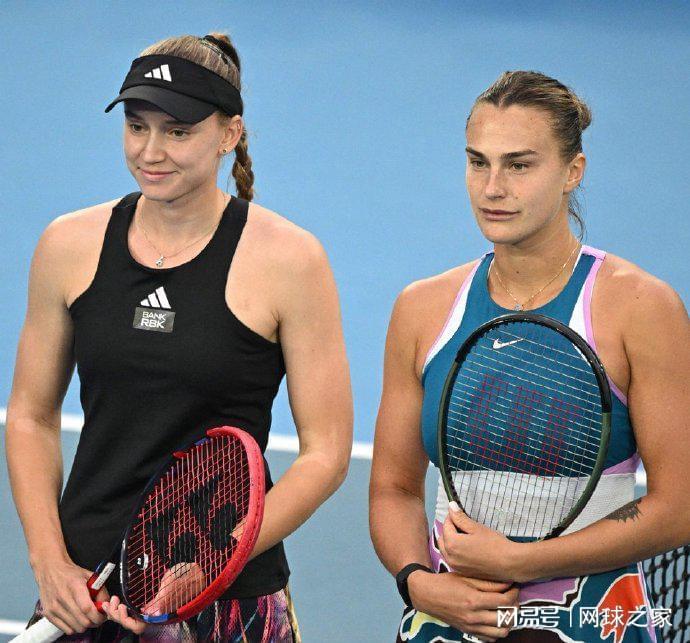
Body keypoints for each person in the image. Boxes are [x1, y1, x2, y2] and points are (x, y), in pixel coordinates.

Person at [6, 32, 352, 642]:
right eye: (136, 127)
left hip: (226, 594)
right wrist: (50, 561)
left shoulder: (290, 261)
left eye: (178, 131)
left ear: (229, 133)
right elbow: (31, 416)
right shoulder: (67, 245)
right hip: (84, 589)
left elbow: (326, 452)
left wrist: (220, 557)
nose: (151, 151)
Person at [369, 70, 689, 642]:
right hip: (447, 616)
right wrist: (416, 581)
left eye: (518, 165)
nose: (492, 188)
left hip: (592, 622)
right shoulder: (421, 308)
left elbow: (680, 505)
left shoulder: (642, 307)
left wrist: (522, 562)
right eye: (478, 162)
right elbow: (393, 488)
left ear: (573, 171)